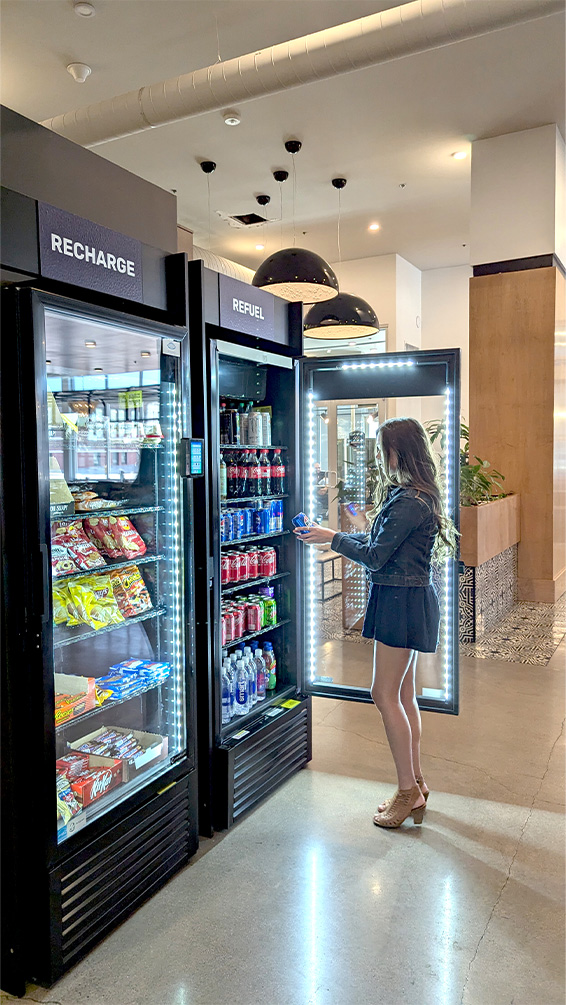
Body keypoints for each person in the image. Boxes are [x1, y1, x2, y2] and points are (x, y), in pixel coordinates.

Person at [294, 416, 457, 829]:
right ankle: (415, 784)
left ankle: (407, 791)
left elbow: (374, 556)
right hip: (407, 598)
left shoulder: (408, 501)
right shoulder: (416, 495)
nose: (382, 459)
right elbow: (377, 543)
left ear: (397, 452)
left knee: (383, 693)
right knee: (403, 694)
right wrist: (330, 533)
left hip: (400, 602)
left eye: (384, 450)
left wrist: (332, 539)